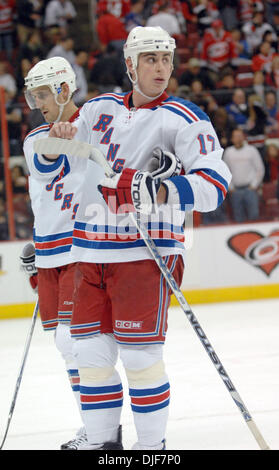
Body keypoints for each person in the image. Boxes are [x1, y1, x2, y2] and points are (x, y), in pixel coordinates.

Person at [42, 26, 231, 450]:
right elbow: (57, 157)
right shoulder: (97, 108)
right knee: (89, 356)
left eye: (165, 59)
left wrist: (159, 190)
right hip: (90, 252)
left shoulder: (185, 118)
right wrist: (60, 141)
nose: (160, 67)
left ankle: (152, 452)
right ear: (130, 65)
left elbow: (216, 184)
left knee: (140, 358)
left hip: (147, 254)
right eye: (150, 59)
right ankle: (103, 445)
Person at [21, 56, 88, 449]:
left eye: (43, 94)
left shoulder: (97, 126)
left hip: (80, 250)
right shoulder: (34, 139)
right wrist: (35, 246)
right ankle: (93, 426)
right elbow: (45, 173)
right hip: (49, 255)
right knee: (67, 347)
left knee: (76, 342)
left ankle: (100, 430)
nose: (38, 104)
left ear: (64, 89)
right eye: (34, 97)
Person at [223, 127, 265, 222]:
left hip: (250, 189)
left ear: (244, 137)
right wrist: (231, 187)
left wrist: (254, 185)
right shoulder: (228, 152)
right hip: (235, 191)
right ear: (232, 139)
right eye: (236, 136)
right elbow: (225, 171)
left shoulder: (252, 150)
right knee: (238, 217)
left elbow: (260, 169)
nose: (238, 138)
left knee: (254, 216)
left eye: (240, 136)